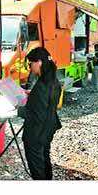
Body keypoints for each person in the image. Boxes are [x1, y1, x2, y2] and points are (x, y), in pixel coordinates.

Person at [18, 47, 62, 180]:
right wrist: (33, 95)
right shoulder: (54, 81)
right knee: (45, 160)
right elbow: (47, 102)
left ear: (39, 62)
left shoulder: (42, 86)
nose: (30, 68)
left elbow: (35, 115)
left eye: (30, 64)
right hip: (48, 129)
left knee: (37, 168)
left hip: (36, 134)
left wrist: (17, 109)